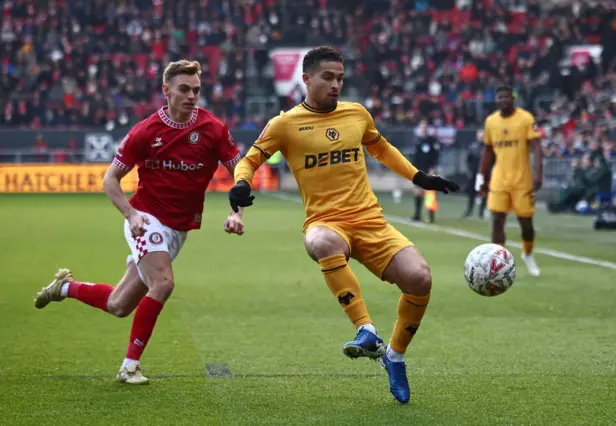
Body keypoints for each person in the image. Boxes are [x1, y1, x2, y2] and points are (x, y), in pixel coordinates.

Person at [227, 46, 459, 404]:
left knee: (420, 278)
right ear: (306, 79)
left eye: (340, 78)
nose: (336, 84)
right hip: (326, 221)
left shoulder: (356, 114)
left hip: (370, 220)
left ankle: (394, 356)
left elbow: (381, 149)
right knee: (321, 242)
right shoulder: (284, 124)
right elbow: (250, 159)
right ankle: (366, 330)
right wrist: (241, 184)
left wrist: (419, 177)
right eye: (328, 77)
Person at [33, 60, 245, 385]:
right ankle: (129, 366)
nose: (191, 96)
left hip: (180, 228)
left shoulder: (213, 129)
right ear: (166, 91)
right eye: (184, 89)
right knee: (164, 283)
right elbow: (110, 180)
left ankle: (63, 287)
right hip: (146, 219)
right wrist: (131, 215)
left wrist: (236, 212)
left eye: (196, 90)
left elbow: (240, 171)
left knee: (119, 305)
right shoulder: (146, 131)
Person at [476, 85, 543, 276]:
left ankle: (528, 255)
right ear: (496, 101)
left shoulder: (526, 119)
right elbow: (488, 151)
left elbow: (537, 147)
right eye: (500, 98)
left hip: (522, 180)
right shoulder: (491, 122)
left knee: (526, 222)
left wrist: (539, 173)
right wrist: (481, 178)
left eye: (507, 97)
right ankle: (498, 264)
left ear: (513, 99)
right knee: (497, 221)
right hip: (499, 180)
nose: (503, 101)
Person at [411, 119, 441, 223]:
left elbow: (436, 156)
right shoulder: (417, 141)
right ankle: (417, 214)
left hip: (430, 170)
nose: (423, 129)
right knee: (417, 192)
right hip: (419, 170)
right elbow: (415, 157)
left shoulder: (432, 141)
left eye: (425, 127)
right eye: (421, 127)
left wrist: (433, 168)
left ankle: (431, 216)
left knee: (430, 193)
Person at [463, 130, 487, 219]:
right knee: (471, 192)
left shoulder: (487, 146)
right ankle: (469, 210)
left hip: (483, 173)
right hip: (473, 173)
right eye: (480, 136)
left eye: (482, 136)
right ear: (477, 136)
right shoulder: (472, 146)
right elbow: (468, 159)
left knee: (483, 192)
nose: (481, 137)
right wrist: (469, 170)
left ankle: (481, 212)